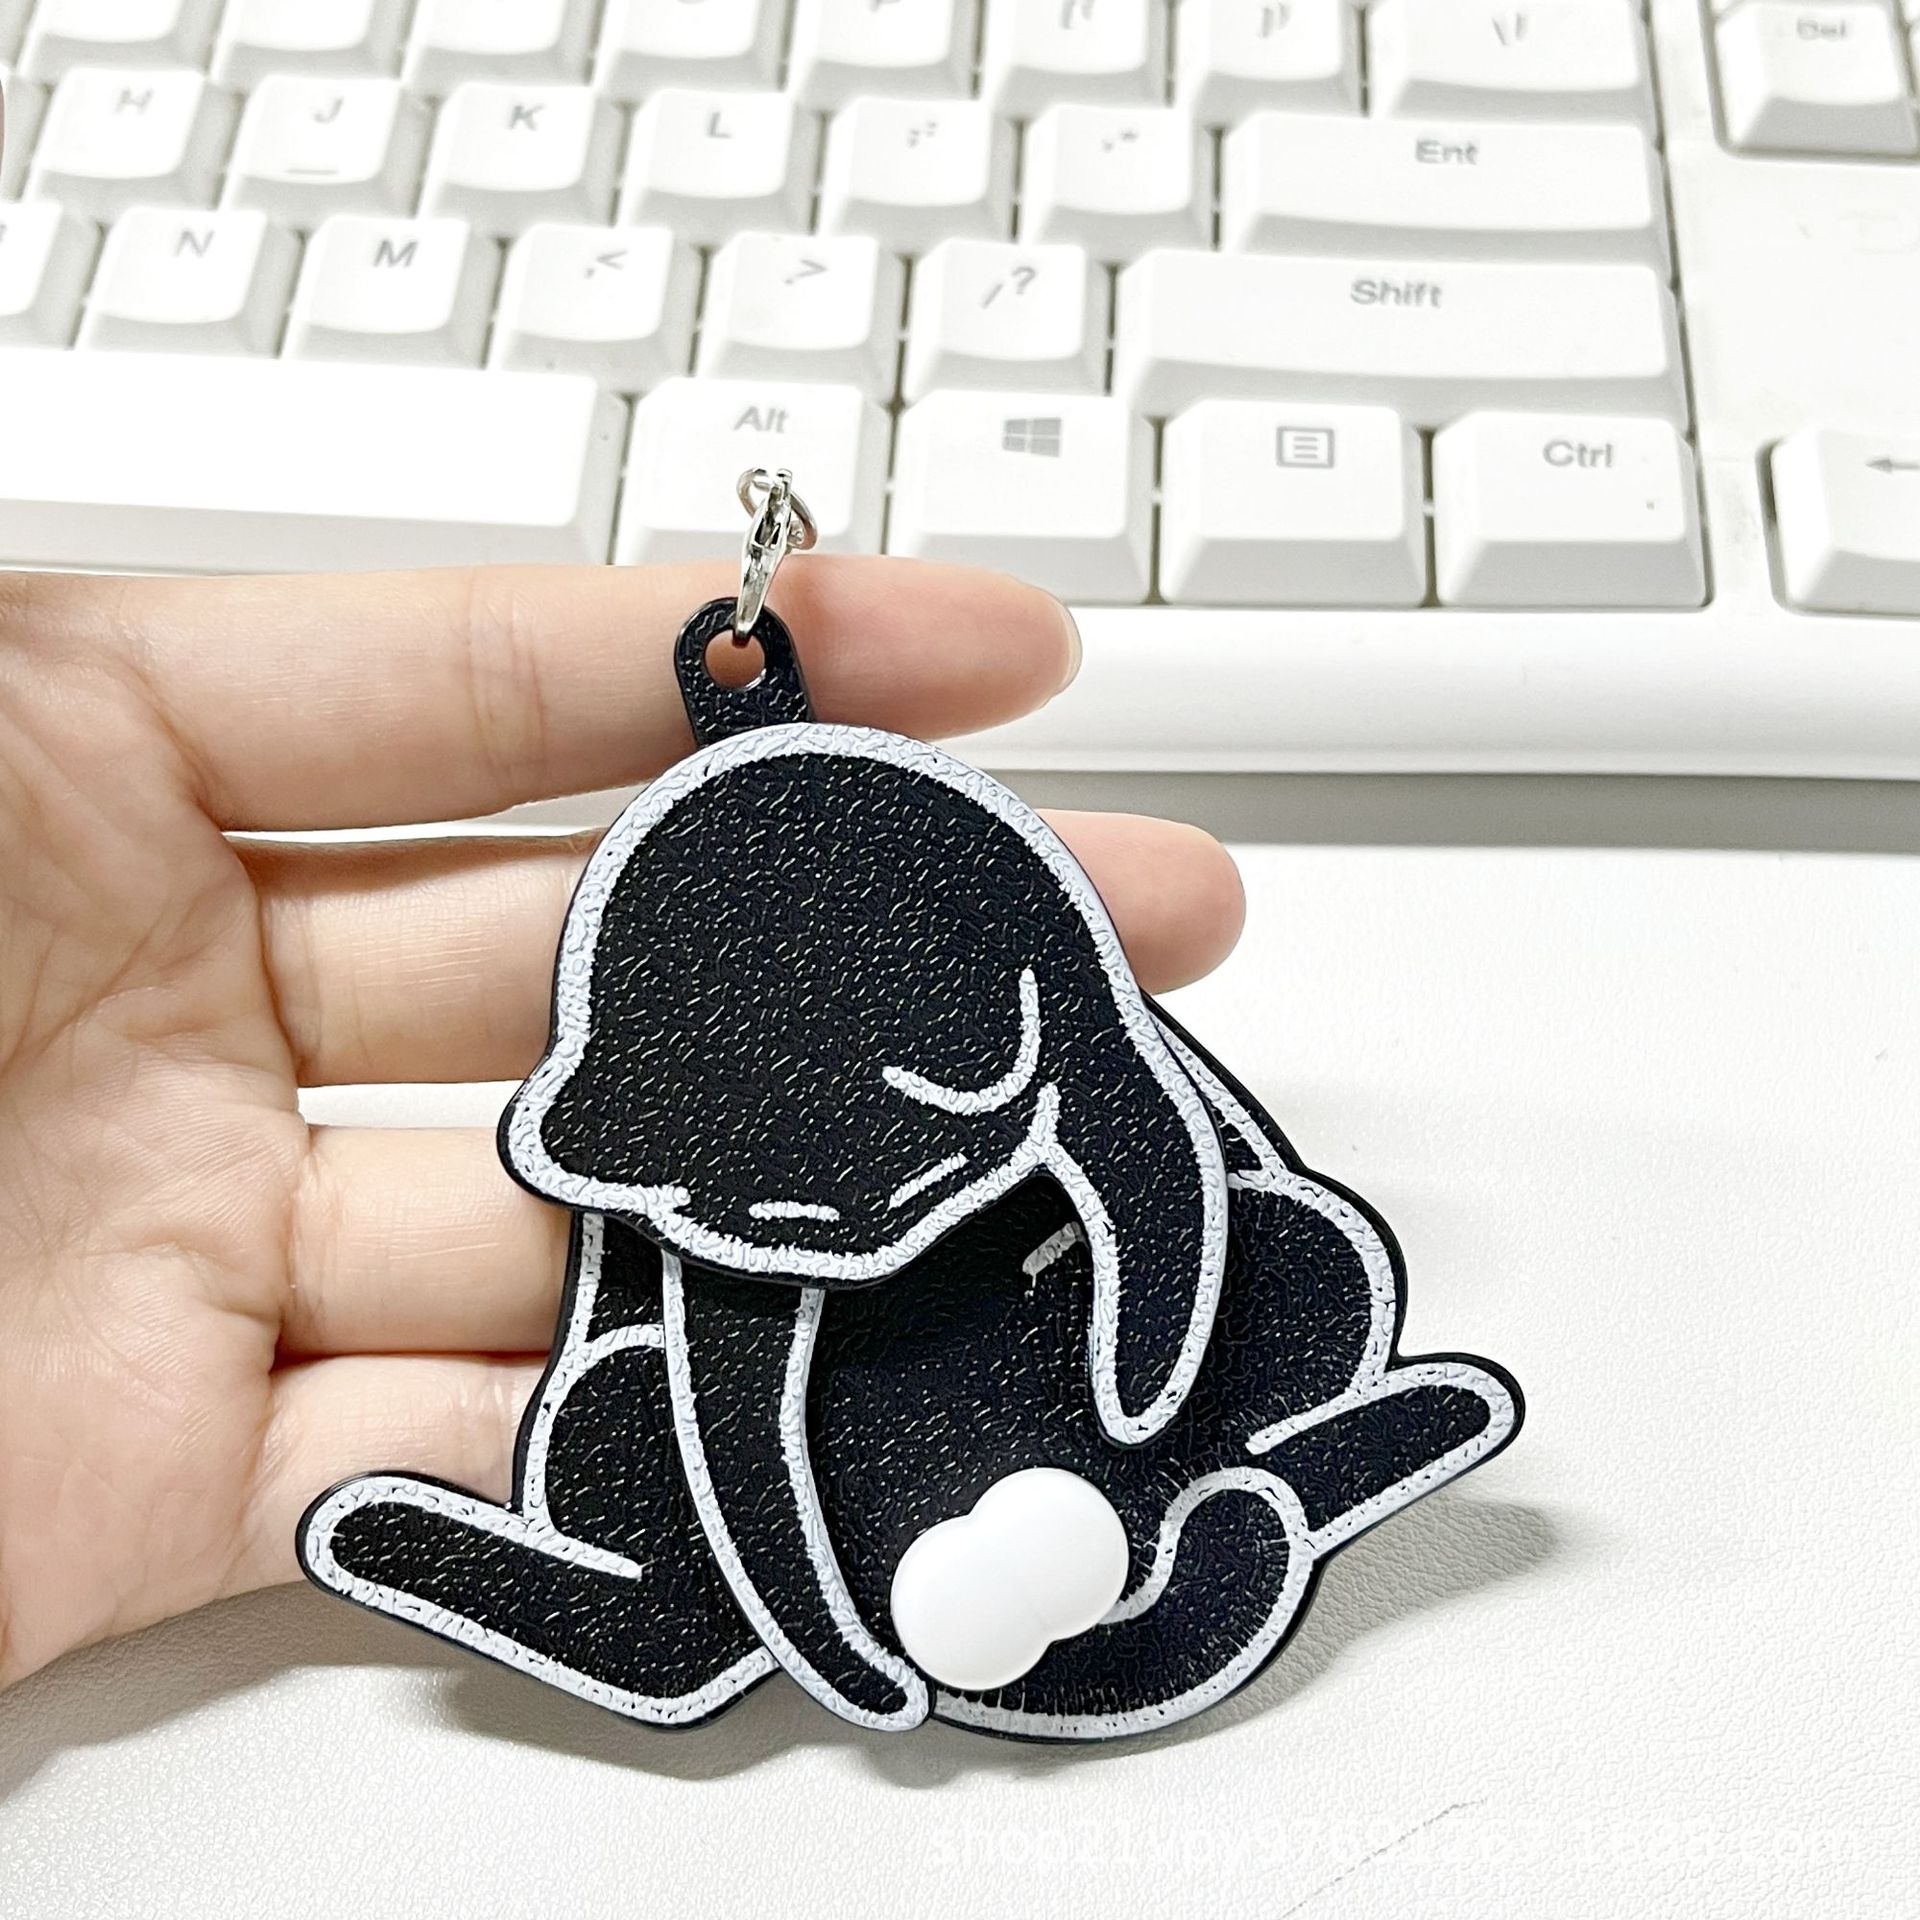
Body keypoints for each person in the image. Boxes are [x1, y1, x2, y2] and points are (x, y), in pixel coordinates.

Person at [0, 556, 1243, 1691]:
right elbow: (739, 1446)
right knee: (667, 1545)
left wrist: (1147, 1380)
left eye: (871, 1190)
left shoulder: (1033, 980)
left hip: (979, 1418)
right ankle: (577, 1592)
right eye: (744, 1210)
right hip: (723, 1462)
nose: (812, 1240)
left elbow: (1159, 1176)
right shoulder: (695, 1201)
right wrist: (839, 1657)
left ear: (1009, 1069)